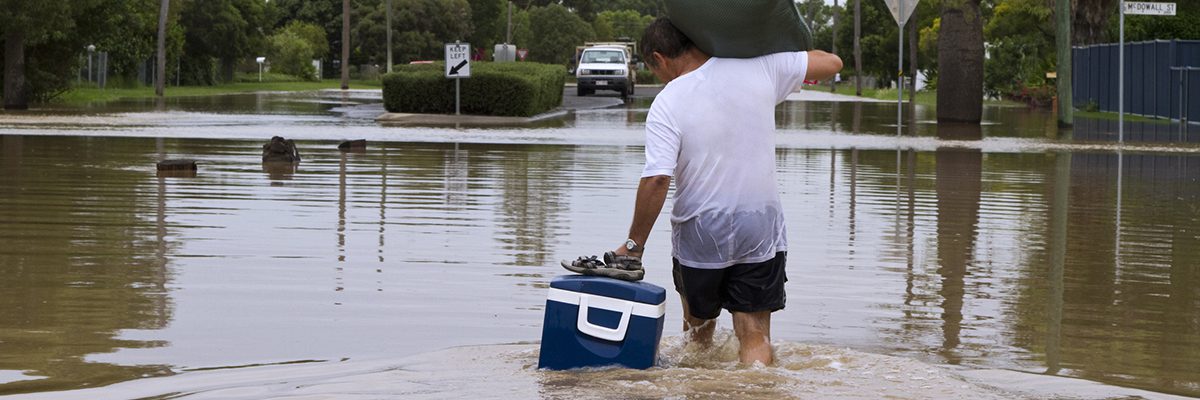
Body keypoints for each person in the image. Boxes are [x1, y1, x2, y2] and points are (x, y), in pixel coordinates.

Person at [609, 17, 842, 365]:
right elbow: (832, 63)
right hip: (759, 227)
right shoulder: (760, 68)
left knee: (697, 333)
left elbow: (657, 179)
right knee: (754, 332)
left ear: (658, 58)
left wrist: (633, 246)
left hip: (700, 230)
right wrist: (767, 45)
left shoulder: (668, 101)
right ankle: (759, 388)